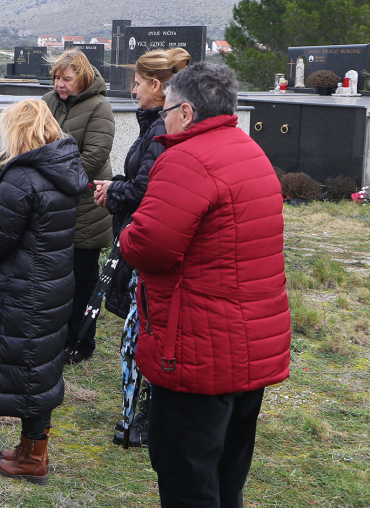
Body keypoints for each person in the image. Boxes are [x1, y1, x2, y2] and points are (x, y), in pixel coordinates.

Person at [118, 62, 290, 507]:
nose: (164, 120)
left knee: (186, 478)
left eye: (168, 110)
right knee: (226, 474)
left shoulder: (187, 160)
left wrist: (126, 231)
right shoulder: (249, 151)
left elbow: (148, 245)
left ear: (188, 112)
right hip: (250, 346)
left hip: (198, 350)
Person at [0, 98, 87, 485]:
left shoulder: (24, 176)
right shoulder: (61, 170)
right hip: (52, 284)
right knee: (40, 367)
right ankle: (28, 447)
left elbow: (0, 235)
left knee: (31, 372)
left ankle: (35, 457)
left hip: (24, 287)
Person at [92, 48, 191, 448]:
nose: (132, 92)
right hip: (135, 233)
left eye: (136, 84)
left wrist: (113, 190)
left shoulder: (159, 131)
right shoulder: (150, 125)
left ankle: (149, 412)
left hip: (146, 239)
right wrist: (117, 182)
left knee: (145, 330)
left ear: (155, 85)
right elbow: (139, 176)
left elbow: (148, 189)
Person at [42, 49, 114, 363]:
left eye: (66, 78)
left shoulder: (100, 106)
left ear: (81, 78)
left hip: (86, 205)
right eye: (56, 77)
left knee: (82, 279)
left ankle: (80, 342)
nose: (59, 84)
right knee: (54, 278)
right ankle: (55, 338)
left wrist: (57, 180)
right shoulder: (47, 101)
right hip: (54, 202)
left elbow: (94, 156)